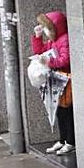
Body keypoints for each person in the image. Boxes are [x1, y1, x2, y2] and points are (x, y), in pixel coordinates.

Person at [32, 11, 74, 155]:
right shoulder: (54, 40)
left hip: (66, 80)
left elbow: (66, 59)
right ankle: (62, 140)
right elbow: (41, 51)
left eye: (47, 28)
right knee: (59, 111)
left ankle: (70, 141)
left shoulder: (64, 40)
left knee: (67, 111)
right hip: (58, 80)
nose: (45, 31)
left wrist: (50, 63)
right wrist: (37, 38)